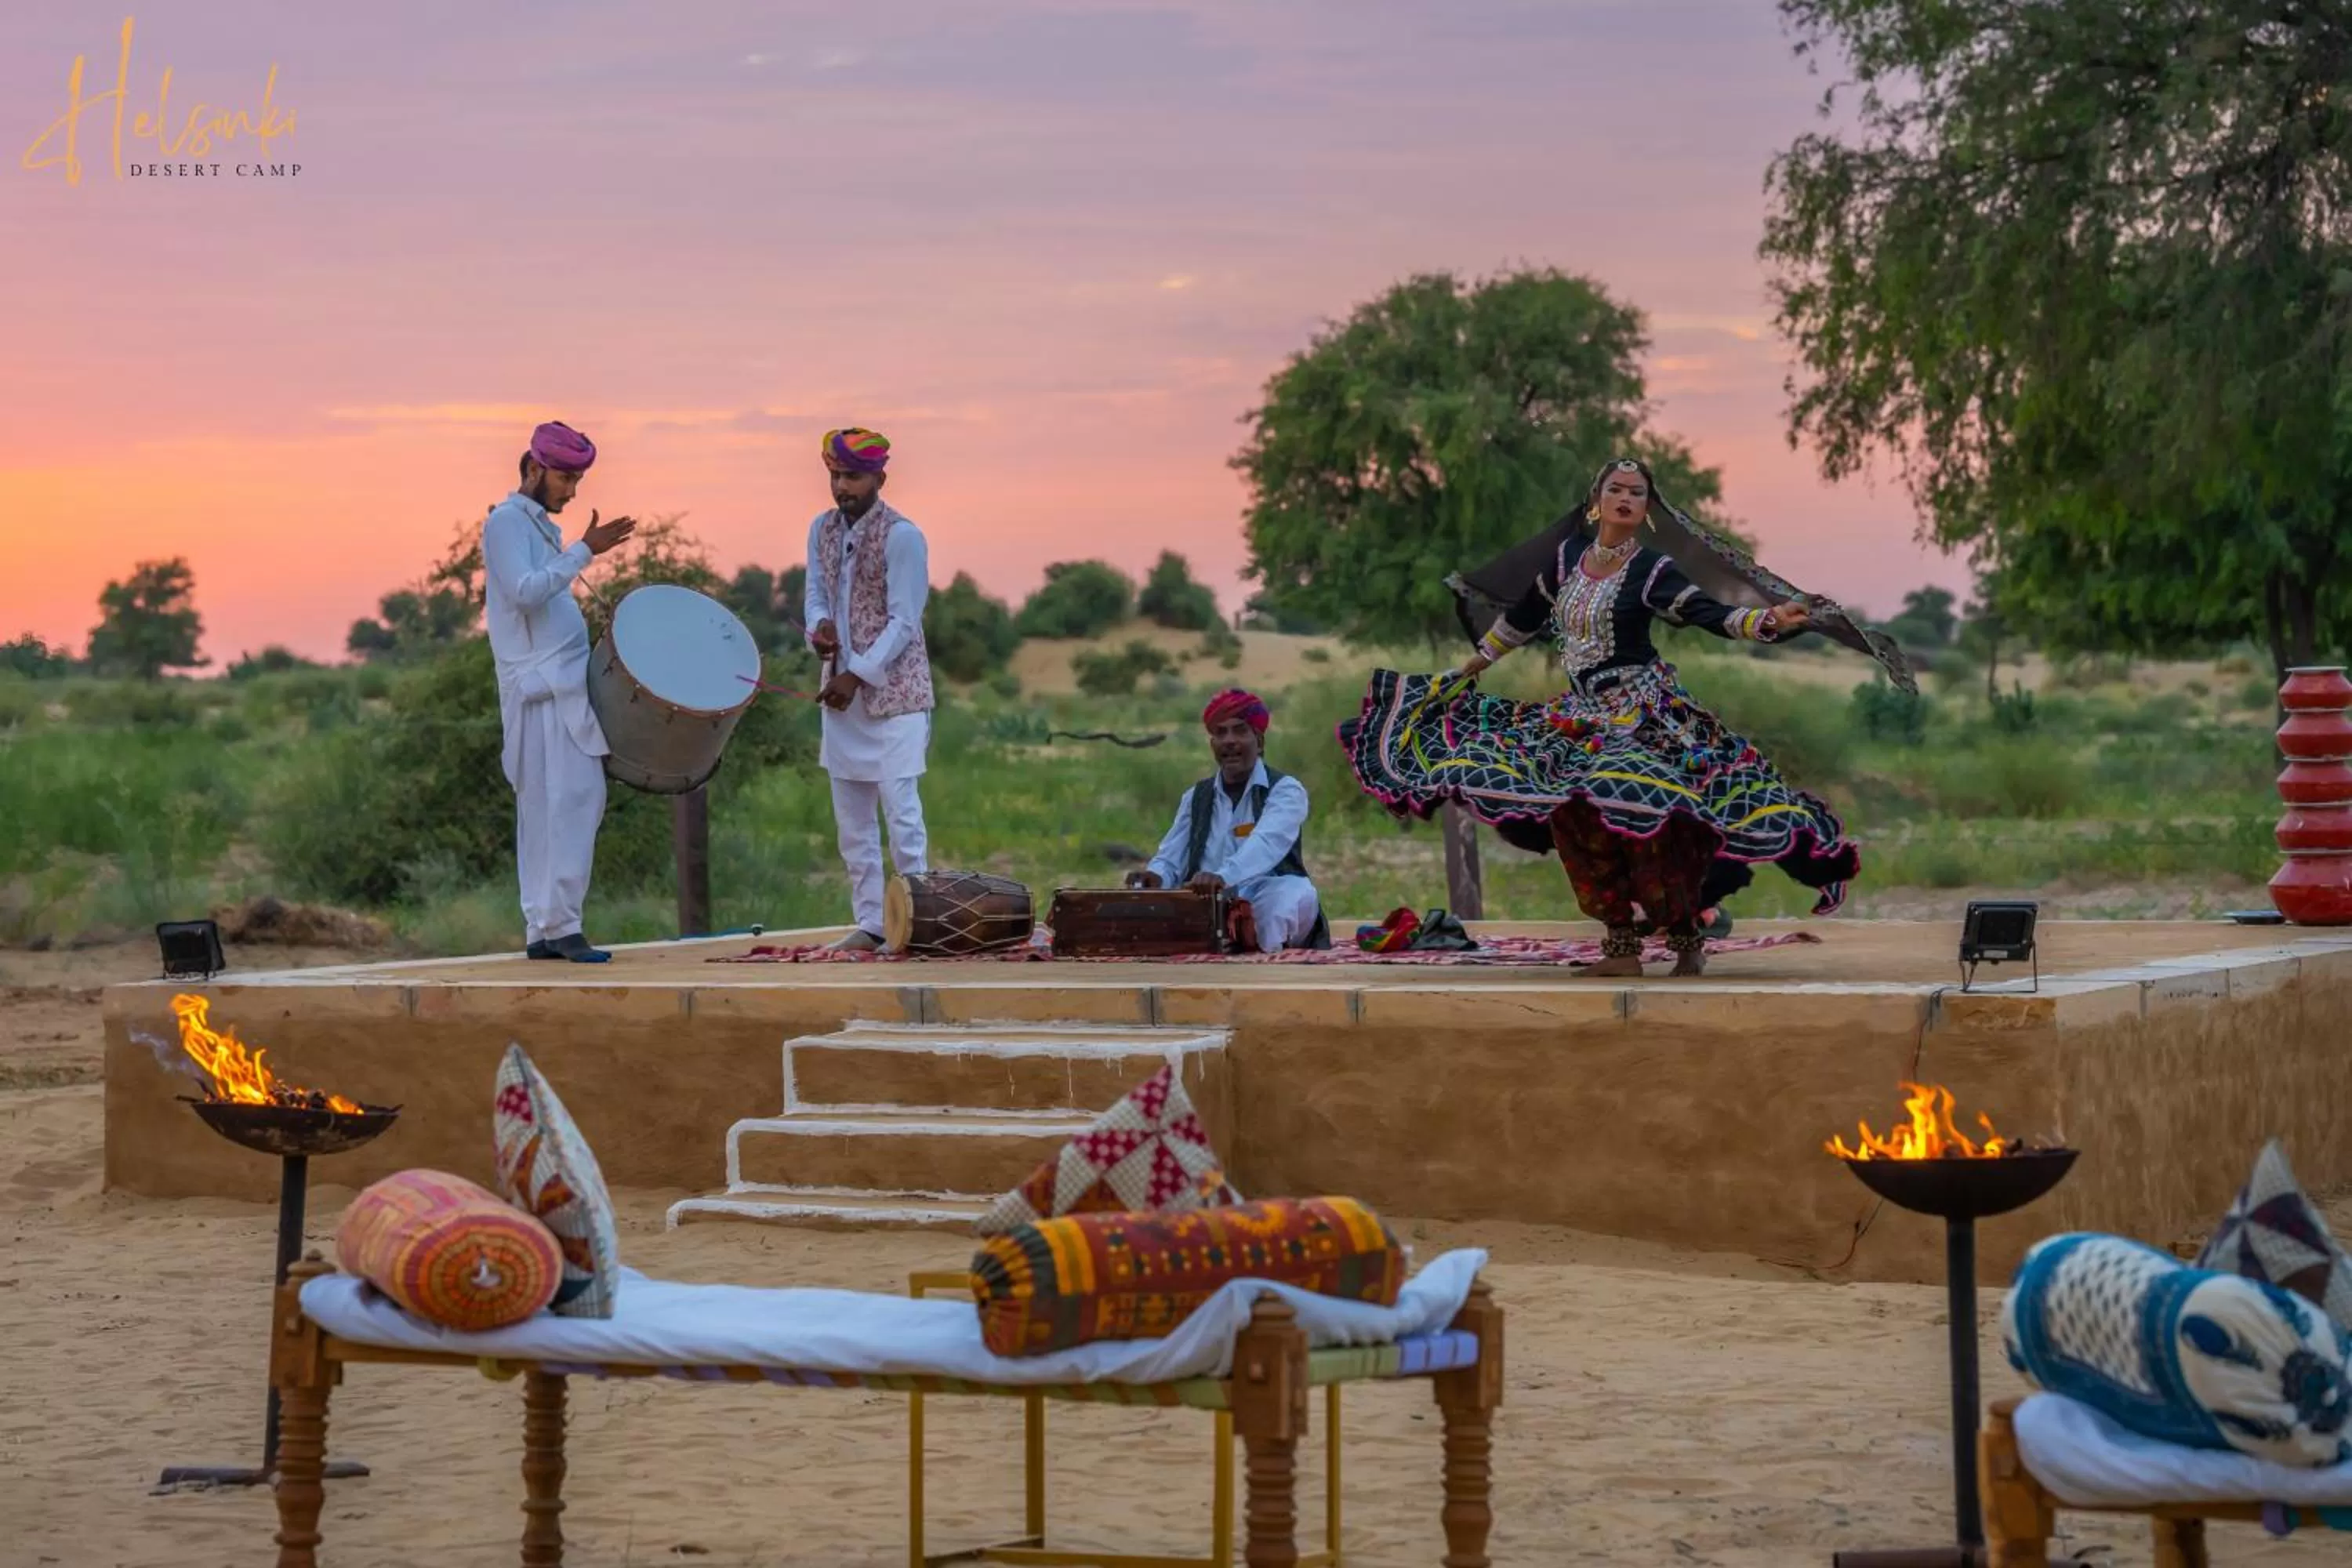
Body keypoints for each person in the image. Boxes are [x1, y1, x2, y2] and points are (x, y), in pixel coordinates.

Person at [1340, 456, 1910, 978]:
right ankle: (1621, 947)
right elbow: (1524, 618)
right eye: (1615, 489)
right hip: (1581, 718)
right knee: (1576, 819)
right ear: (1595, 501)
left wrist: (1767, 621)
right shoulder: (1565, 560)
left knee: (1658, 814)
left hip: (1647, 713)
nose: (1625, 498)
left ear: (1646, 510)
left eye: (1637, 493)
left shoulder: (1653, 571)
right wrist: (1470, 667)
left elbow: (1710, 613)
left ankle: (1688, 940)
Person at [481, 421, 634, 963]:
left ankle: (547, 929)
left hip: (561, 689)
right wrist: (584, 552)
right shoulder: (505, 524)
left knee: (562, 804)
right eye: (566, 478)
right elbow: (524, 594)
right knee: (566, 802)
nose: (571, 490)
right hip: (539, 690)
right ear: (533, 468)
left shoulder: (536, 525)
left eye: (577, 480)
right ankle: (559, 927)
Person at [803, 426, 933, 952]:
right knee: (852, 822)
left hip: (893, 697)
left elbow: (905, 622)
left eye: (852, 477)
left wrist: (858, 673)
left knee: (901, 813)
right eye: (835, 475)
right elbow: (815, 592)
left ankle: (917, 922)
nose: (841, 486)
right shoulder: (822, 529)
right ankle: (872, 922)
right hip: (841, 694)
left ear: (880, 477)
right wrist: (820, 628)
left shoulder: (903, 536)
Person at [1126, 689, 1330, 953]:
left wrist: (1222, 876)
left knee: (1286, 897)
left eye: (1240, 731)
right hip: (1209, 904)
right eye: (1220, 733)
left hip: (1265, 893)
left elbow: (1266, 842)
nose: (1229, 741)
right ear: (1212, 744)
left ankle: (1266, 970)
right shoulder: (1196, 797)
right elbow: (1171, 855)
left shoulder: (1285, 790)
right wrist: (1155, 876)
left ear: (1259, 741)